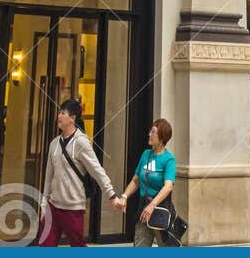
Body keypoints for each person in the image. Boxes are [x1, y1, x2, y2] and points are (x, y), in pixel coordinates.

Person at [39, 99, 116, 247]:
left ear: (72, 118)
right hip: (53, 207)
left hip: (73, 209)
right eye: (59, 112)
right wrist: (44, 205)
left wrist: (111, 195)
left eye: (62, 112)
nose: (59, 116)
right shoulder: (54, 144)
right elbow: (48, 177)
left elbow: (97, 170)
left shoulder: (81, 143)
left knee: (77, 246)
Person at [114, 119, 177, 246]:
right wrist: (124, 196)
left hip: (160, 211)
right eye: (150, 131)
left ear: (162, 137)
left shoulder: (169, 159)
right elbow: (136, 180)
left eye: (153, 132)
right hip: (143, 211)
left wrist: (152, 205)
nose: (149, 134)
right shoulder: (146, 154)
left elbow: (168, 186)